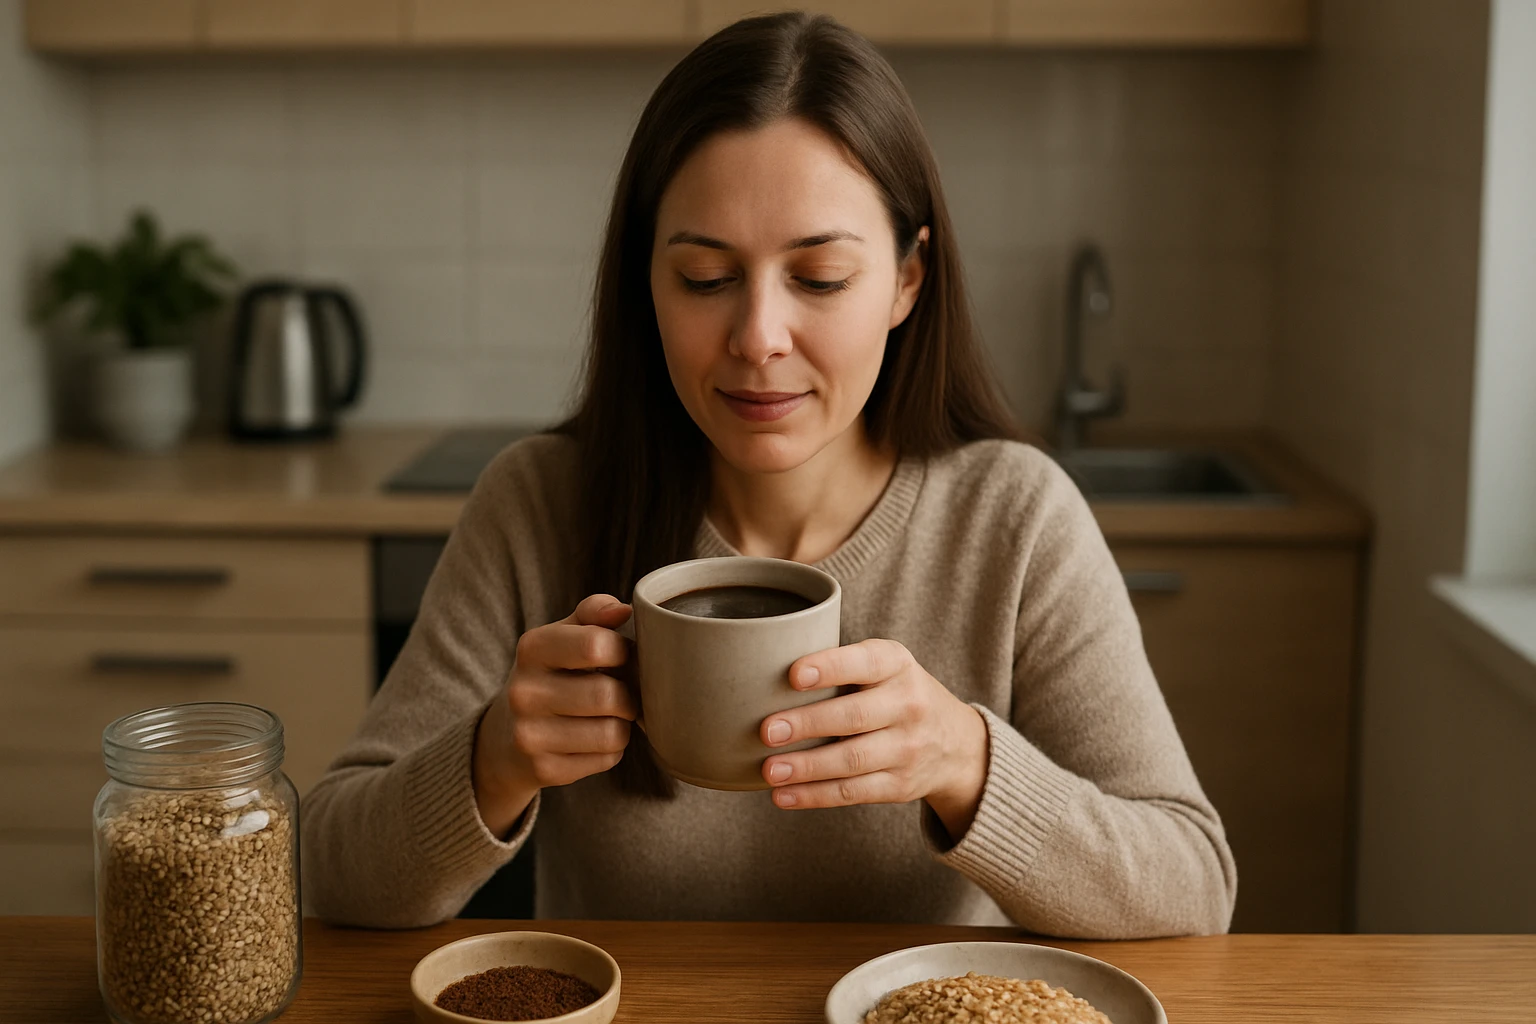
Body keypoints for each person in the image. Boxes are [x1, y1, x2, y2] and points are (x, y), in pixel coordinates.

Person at [302, 11, 1236, 938]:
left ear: (909, 280)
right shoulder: (539, 505)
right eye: (706, 279)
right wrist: (494, 759)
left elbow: (1191, 889)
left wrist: (966, 760)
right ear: (646, 284)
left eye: (820, 277)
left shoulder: (1014, 519)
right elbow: (329, 870)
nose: (757, 340)